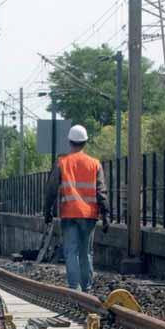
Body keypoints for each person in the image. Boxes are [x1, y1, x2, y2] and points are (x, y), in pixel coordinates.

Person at [44, 124, 109, 291]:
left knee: (71, 252)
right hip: (89, 215)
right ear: (85, 142)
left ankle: (75, 289)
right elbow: (101, 191)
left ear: (70, 142)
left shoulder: (62, 163)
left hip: (69, 214)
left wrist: (48, 211)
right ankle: (87, 289)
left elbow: (51, 189)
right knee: (86, 252)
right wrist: (106, 214)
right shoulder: (95, 164)